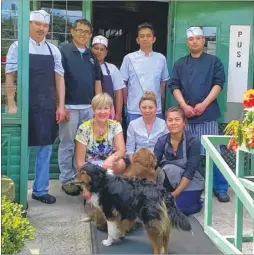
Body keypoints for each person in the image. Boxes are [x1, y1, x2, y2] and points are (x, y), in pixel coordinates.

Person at [5, 10, 65, 204]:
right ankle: (18, 192)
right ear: (29, 24)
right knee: (24, 147)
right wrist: (12, 103)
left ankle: (40, 190)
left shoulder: (53, 50)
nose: (41, 28)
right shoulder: (18, 46)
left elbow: (59, 78)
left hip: (47, 105)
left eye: (45, 25)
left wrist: (61, 105)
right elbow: (10, 76)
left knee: (45, 147)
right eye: (37, 24)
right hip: (25, 104)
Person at [168, 26, 229, 202]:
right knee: (189, 153)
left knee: (213, 152)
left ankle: (220, 187)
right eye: (191, 39)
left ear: (204, 41)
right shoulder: (180, 63)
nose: (194, 41)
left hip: (208, 113)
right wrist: (183, 106)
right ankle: (192, 186)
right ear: (187, 43)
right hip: (186, 116)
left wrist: (204, 104)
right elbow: (174, 85)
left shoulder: (214, 61)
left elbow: (218, 84)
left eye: (198, 38)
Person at [58, 19, 102, 196]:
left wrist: (98, 105)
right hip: (69, 107)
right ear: (72, 32)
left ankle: (84, 179)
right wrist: (60, 105)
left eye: (86, 32)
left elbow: (97, 81)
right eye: (79, 30)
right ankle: (67, 180)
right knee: (67, 144)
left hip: (88, 109)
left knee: (85, 146)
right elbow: (57, 79)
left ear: (90, 35)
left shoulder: (92, 56)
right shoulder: (63, 50)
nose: (82, 34)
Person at [155, 107, 205, 215]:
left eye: (177, 119)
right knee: (160, 209)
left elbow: (190, 171)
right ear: (166, 123)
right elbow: (153, 165)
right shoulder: (162, 141)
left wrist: (175, 194)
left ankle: (198, 201)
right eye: (170, 120)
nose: (173, 123)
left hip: (191, 181)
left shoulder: (193, 141)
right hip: (169, 182)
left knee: (179, 210)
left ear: (184, 122)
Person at [120, 22, 169, 125]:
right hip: (134, 109)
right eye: (142, 36)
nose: (145, 39)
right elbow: (123, 83)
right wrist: (126, 103)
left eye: (148, 36)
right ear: (137, 40)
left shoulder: (161, 58)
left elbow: (163, 83)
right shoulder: (129, 58)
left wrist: (159, 101)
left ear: (154, 39)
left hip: (155, 108)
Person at [75, 93, 126, 174]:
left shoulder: (115, 126)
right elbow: (79, 162)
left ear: (110, 110)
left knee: (121, 164)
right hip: (90, 167)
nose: (102, 112)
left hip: (108, 165)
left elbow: (121, 151)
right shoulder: (84, 128)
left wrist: (110, 159)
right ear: (93, 110)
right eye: (99, 108)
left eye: (106, 108)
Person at [126, 91, 168, 163]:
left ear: (156, 108)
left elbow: (166, 150)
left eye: (151, 107)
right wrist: (136, 166)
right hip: (138, 162)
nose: (147, 110)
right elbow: (130, 151)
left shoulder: (164, 124)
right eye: (144, 107)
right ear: (139, 108)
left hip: (158, 162)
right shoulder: (133, 124)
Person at [91, 35, 125, 122]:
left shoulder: (112, 69)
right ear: (91, 50)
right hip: (88, 110)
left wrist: (118, 114)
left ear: (106, 52)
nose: (99, 51)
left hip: (107, 111)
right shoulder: (86, 67)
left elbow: (118, 93)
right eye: (96, 48)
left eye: (102, 49)